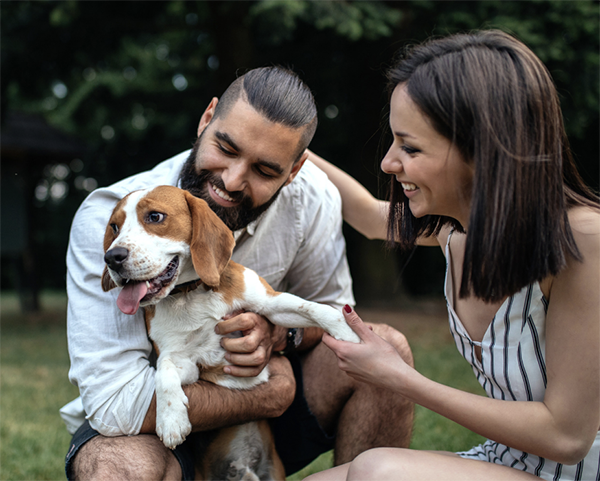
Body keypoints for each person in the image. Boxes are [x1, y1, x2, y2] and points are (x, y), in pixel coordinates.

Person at [60, 66, 414, 481]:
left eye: (265, 171)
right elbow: (116, 404)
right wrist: (272, 393)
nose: (231, 180)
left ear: (294, 169)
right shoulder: (112, 218)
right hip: (150, 420)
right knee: (114, 467)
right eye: (225, 148)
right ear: (206, 119)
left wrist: (282, 334)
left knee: (387, 351)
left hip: (262, 412)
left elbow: (335, 314)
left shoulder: (312, 198)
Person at [305, 30, 600, 481]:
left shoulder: (582, 241)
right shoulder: (457, 232)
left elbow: (566, 437)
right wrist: (281, 146)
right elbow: (366, 216)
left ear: (482, 150)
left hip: (579, 471)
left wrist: (400, 378)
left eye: (410, 147)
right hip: (510, 463)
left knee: (377, 472)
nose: (388, 162)